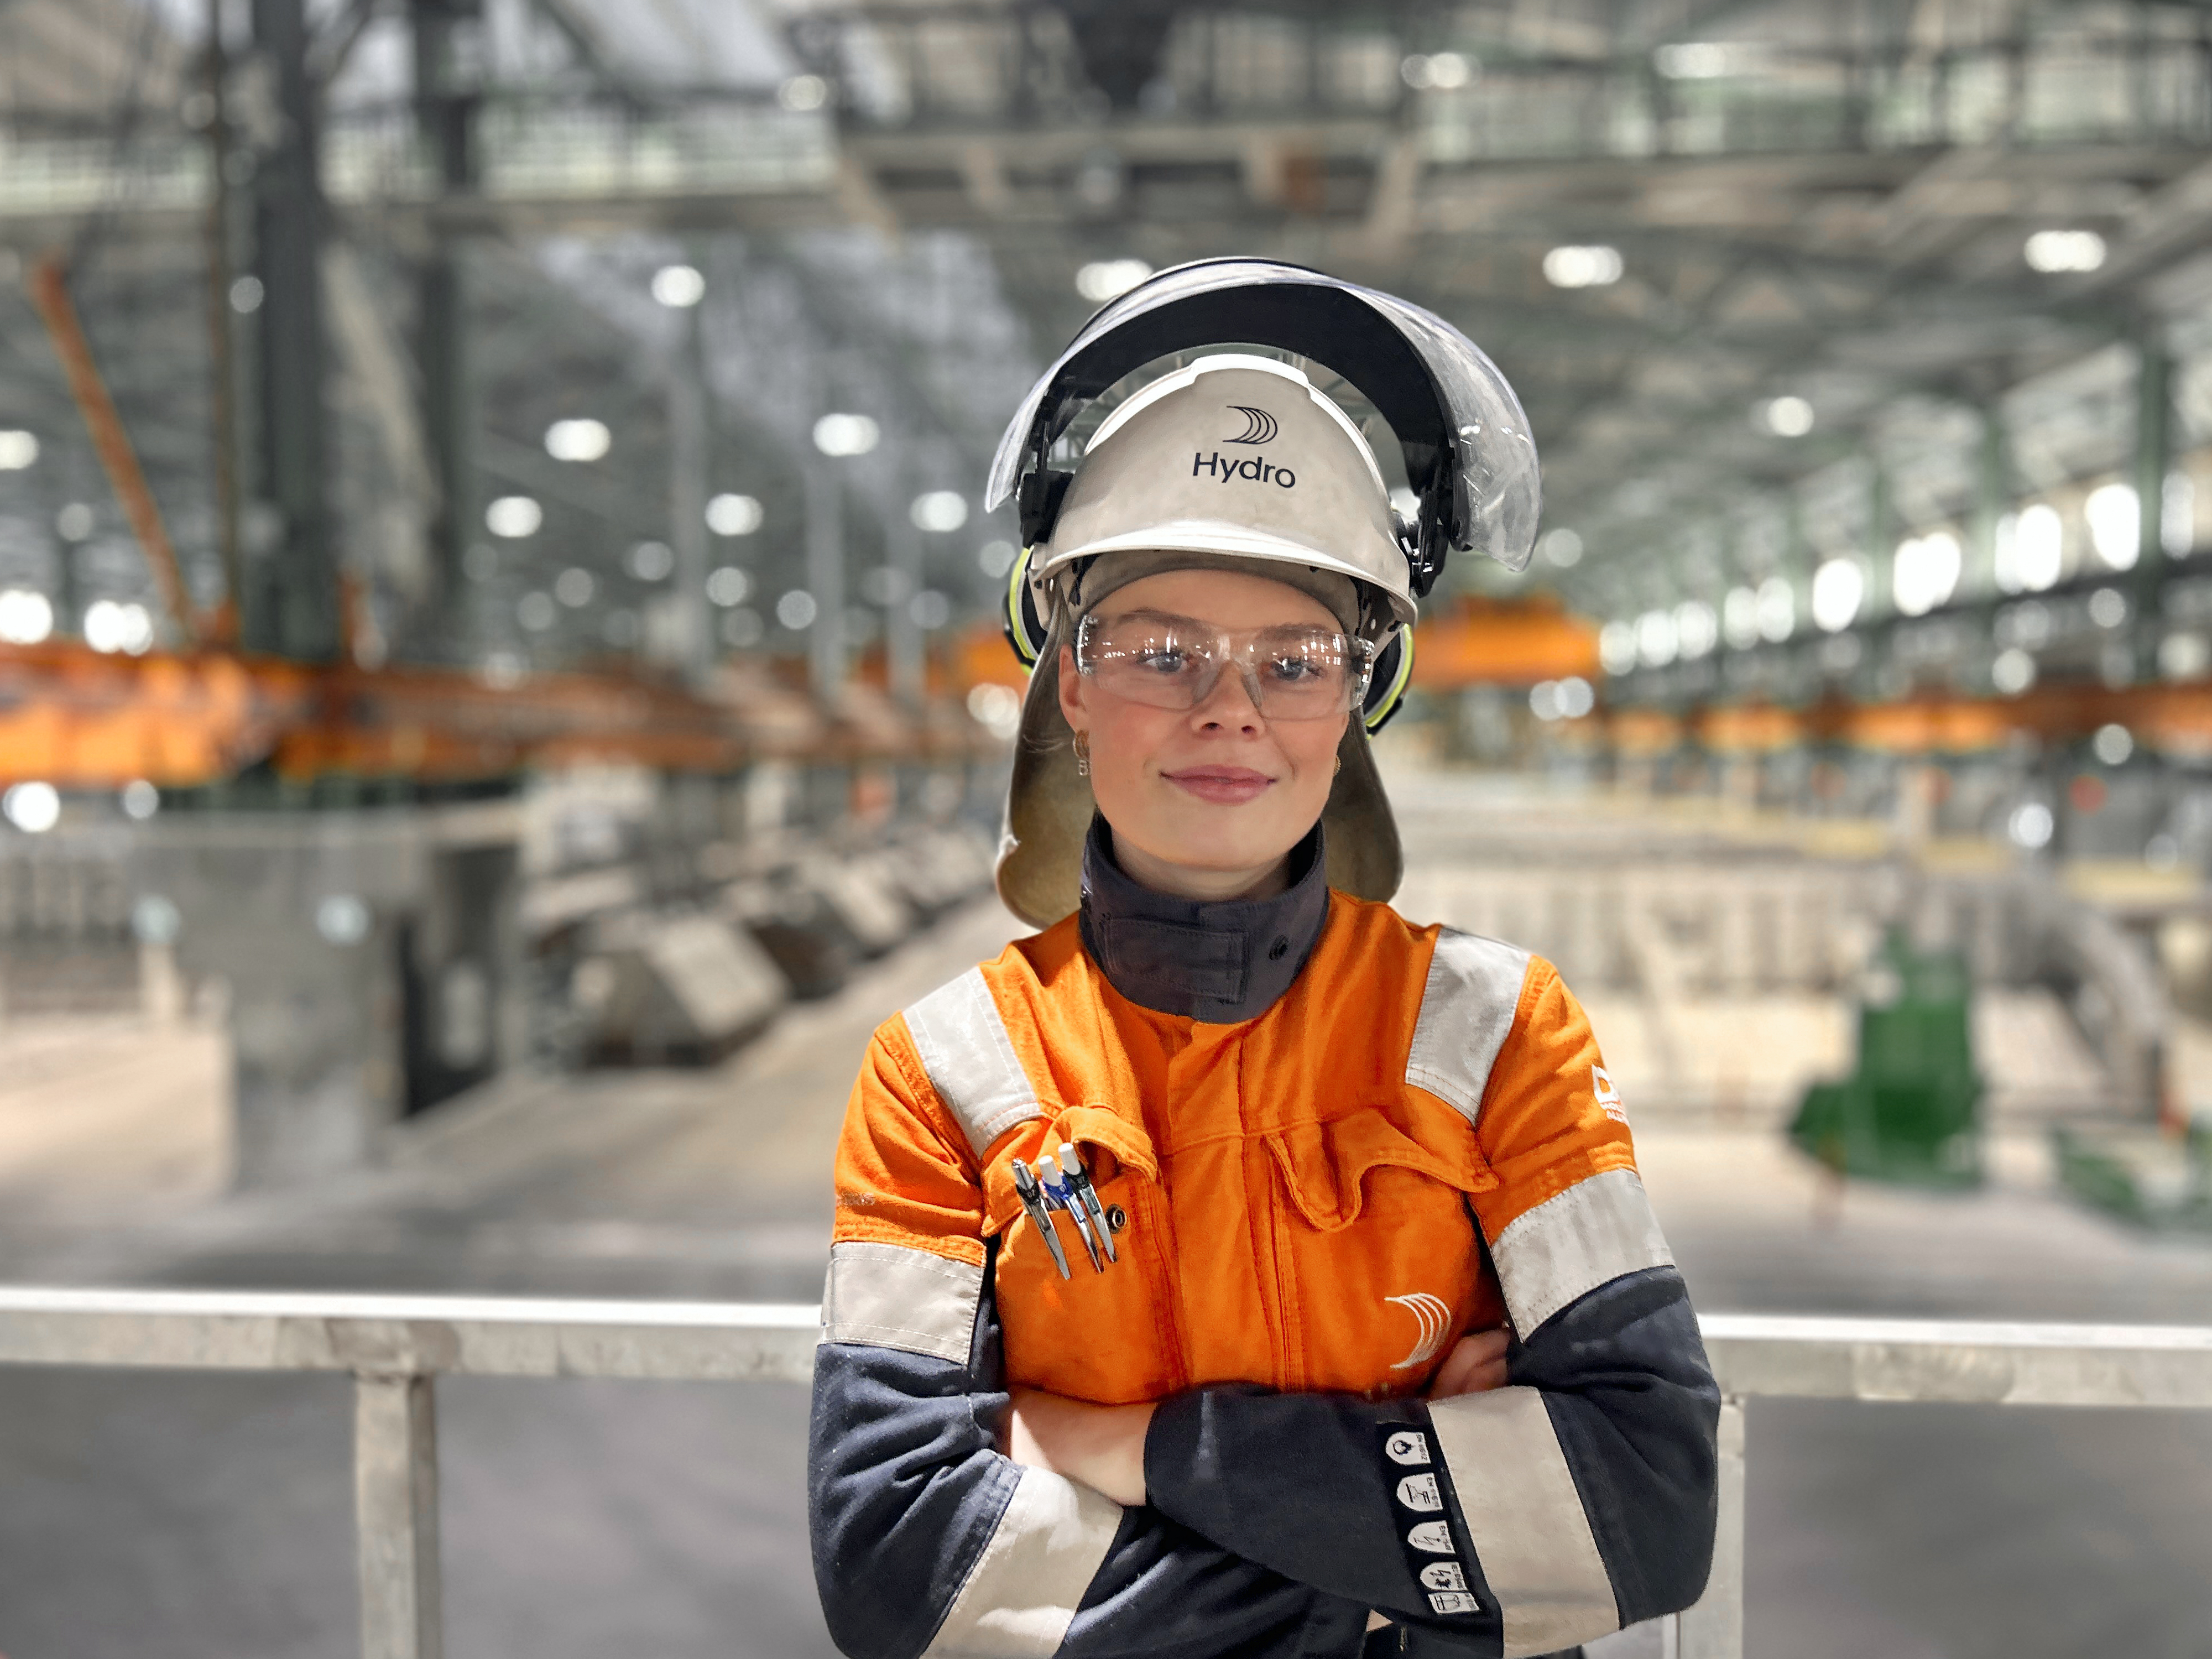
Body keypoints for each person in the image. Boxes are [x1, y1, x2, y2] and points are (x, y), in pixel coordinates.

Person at [808, 261, 1718, 1659]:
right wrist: (1398, 1562)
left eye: (1294, 658)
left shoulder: (1497, 1034)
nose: (1229, 710)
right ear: (1068, 673)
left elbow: (1641, 1512)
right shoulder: (943, 1074)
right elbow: (896, 1574)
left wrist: (1103, 1444)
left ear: (1364, 694)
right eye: (1160, 649)